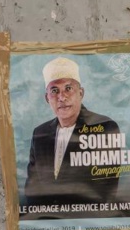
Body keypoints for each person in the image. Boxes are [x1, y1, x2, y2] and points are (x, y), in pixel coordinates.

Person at [23, 57, 121, 218]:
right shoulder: (39, 133)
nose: (62, 97)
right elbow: (32, 189)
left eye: (68, 88)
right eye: (54, 90)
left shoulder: (104, 127)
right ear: (47, 98)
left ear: (81, 93)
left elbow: (105, 192)